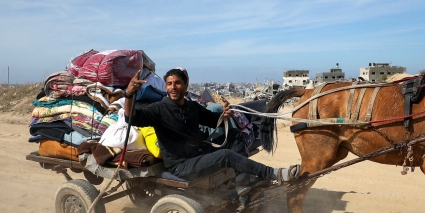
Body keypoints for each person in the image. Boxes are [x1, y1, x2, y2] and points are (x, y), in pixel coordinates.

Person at [125, 68, 299, 184]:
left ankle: (241, 179)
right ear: (165, 86)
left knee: (235, 136)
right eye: (169, 84)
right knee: (226, 155)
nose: (173, 87)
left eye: (177, 83)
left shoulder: (191, 106)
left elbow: (211, 119)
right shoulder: (158, 109)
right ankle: (274, 174)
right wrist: (129, 94)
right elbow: (131, 118)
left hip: (200, 153)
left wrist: (224, 114)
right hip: (181, 165)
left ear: (185, 85)